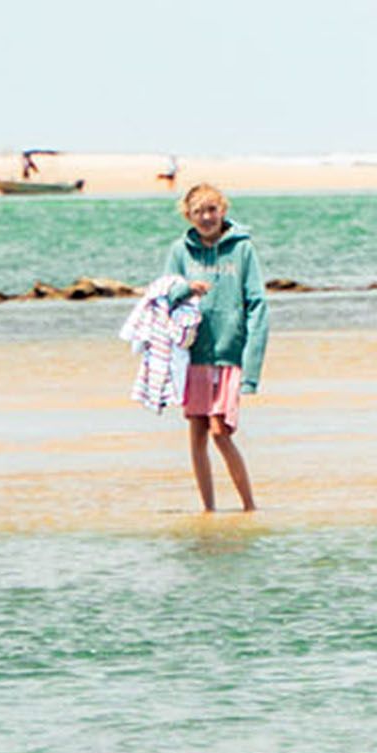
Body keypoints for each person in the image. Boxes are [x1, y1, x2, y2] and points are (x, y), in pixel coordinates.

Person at [163, 183, 269, 513]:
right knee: (196, 435)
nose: (206, 217)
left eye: (212, 209)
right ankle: (208, 510)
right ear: (188, 215)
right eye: (198, 212)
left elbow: (258, 305)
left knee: (221, 432)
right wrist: (184, 288)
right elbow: (164, 294)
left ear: (223, 210)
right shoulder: (180, 250)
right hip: (193, 356)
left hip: (228, 356)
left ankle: (249, 508)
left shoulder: (243, 249)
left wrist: (251, 369)